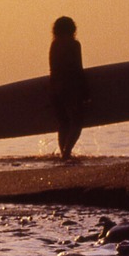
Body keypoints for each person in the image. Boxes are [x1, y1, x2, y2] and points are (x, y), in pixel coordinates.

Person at [49, 16, 89, 159]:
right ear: (72, 29)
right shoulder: (74, 44)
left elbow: (53, 69)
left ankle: (63, 153)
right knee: (77, 122)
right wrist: (85, 91)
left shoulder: (54, 45)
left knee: (63, 123)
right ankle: (67, 153)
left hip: (55, 87)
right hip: (71, 86)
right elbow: (78, 68)